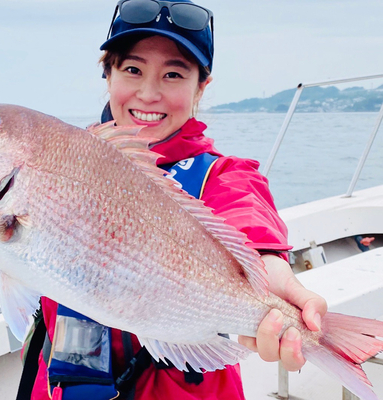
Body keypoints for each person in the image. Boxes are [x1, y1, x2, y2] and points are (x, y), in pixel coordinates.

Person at [18, 1, 327, 399]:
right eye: (132, 70)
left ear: (201, 86)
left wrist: (269, 274)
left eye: (173, 74)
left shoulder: (224, 176)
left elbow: (249, 223)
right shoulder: (62, 164)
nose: (149, 93)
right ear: (107, 73)